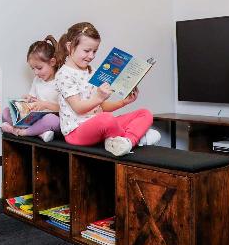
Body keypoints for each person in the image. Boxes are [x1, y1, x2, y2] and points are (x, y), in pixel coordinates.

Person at [55, 22, 159, 156]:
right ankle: (136, 138)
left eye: (94, 51)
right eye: (86, 51)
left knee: (145, 113)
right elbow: (78, 108)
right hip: (76, 132)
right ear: (69, 47)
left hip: (99, 125)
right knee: (106, 119)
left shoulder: (92, 71)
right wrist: (98, 97)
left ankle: (127, 141)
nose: (91, 56)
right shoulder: (64, 74)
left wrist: (123, 102)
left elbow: (102, 107)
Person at [0, 35, 62, 142]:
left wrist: (45, 104)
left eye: (39, 68)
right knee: (6, 112)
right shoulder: (37, 80)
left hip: (54, 118)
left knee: (51, 120)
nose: (36, 72)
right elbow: (33, 100)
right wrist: (28, 100)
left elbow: (65, 109)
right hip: (36, 119)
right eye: (33, 68)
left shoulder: (61, 80)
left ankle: (22, 132)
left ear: (52, 62)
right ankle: (40, 133)